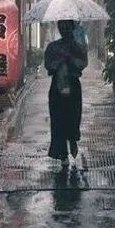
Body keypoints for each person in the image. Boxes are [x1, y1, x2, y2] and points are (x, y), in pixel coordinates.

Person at [44, 19, 88, 165]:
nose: (64, 30)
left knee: (73, 117)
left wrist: (71, 60)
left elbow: (83, 63)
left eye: (67, 27)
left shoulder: (77, 46)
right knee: (58, 120)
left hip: (73, 87)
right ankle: (62, 153)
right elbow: (48, 65)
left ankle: (73, 140)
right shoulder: (53, 47)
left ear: (72, 29)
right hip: (56, 88)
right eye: (61, 27)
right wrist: (58, 62)